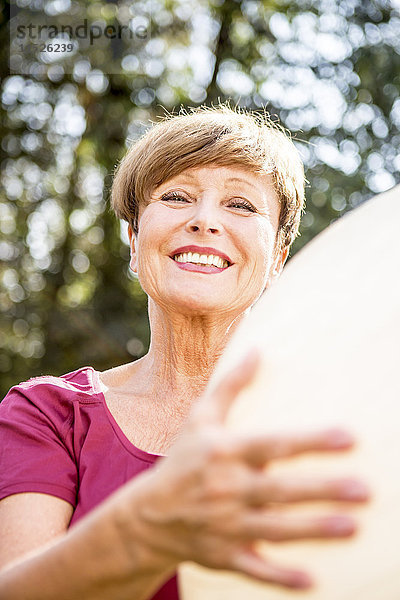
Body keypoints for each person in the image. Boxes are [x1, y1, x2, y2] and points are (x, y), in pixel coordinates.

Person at [0, 104, 369, 600]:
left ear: (278, 257)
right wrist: (148, 529)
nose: (204, 221)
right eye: (176, 196)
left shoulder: (339, 416)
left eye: (240, 205)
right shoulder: (46, 413)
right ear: (134, 241)